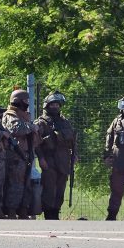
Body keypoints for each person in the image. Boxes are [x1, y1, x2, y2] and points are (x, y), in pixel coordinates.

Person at [2, 89, 44, 219]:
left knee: (27, 184)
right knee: (15, 184)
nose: (27, 104)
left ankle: (23, 209)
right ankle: (12, 211)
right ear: (17, 102)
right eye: (25, 101)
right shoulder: (10, 115)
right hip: (15, 155)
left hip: (26, 155)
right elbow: (16, 129)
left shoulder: (24, 116)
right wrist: (31, 127)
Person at [35, 91, 75, 220]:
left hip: (63, 160)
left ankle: (56, 213)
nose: (55, 107)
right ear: (47, 105)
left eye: (57, 104)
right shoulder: (41, 122)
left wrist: (75, 155)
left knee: (60, 189)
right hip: (49, 159)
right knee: (49, 189)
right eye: (52, 104)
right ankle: (49, 215)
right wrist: (41, 158)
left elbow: (73, 141)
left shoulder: (65, 122)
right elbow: (36, 143)